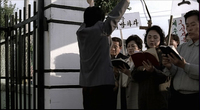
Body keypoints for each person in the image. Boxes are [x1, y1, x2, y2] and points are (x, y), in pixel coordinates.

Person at [76, 0, 130, 109]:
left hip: (86, 84)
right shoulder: (102, 30)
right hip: (102, 84)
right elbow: (115, 15)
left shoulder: (81, 32)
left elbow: (89, 19)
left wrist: (91, 5)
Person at [162, 10, 199, 110]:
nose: (189, 29)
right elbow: (176, 71)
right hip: (177, 97)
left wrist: (184, 65)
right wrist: (170, 66)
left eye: (193, 25)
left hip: (195, 99)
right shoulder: (182, 48)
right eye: (187, 25)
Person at [131, 25, 168, 109]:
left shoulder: (164, 55)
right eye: (149, 37)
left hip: (159, 97)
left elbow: (166, 76)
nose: (152, 40)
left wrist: (153, 70)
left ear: (160, 39)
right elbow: (133, 77)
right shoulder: (140, 55)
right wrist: (139, 70)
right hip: (143, 97)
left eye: (155, 37)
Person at [117, 35, 143, 109]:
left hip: (134, 91)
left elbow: (140, 77)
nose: (130, 48)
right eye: (128, 46)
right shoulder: (125, 61)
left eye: (133, 46)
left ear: (139, 48)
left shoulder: (141, 61)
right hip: (123, 91)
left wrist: (128, 73)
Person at [110, 37, 128, 109]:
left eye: (115, 47)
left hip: (121, 89)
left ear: (120, 48)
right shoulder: (104, 59)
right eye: (111, 46)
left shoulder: (125, 59)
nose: (113, 49)